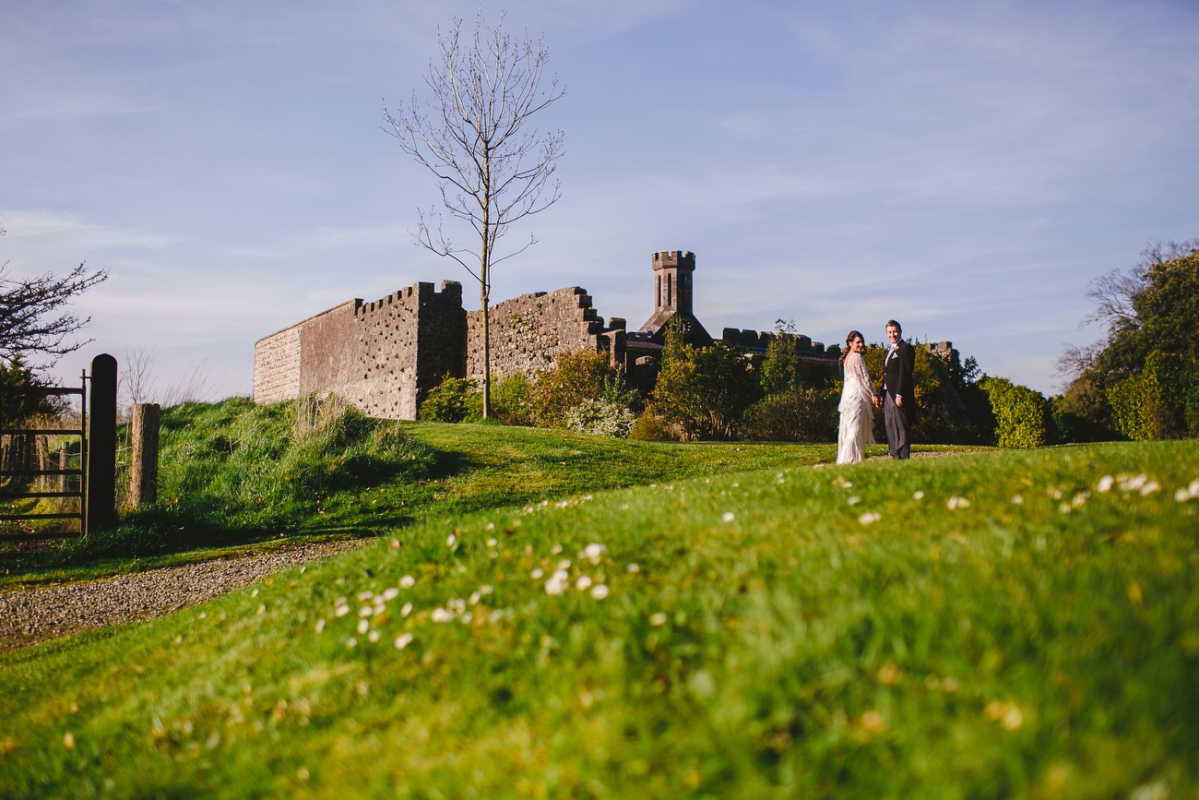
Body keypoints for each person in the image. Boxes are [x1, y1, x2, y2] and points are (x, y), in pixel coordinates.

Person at [836, 330, 878, 464]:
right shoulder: (857, 357)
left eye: (862, 342)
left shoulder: (847, 357)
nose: (861, 345)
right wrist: (873, 394)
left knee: (849, 427)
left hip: (848, 396)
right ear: (850, 343)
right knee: (855, 428)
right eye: (858, 342)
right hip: (856, 396)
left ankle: (850, 457)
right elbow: (865, 378)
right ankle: (849, 458)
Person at [881, 319, 914, 459]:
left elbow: (905, 373)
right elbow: (887, 374)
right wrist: (881, 394)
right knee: (889, 423)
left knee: (900, 425)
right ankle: (894, 454)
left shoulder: (905, 349)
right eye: (889, 332)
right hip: (888, 392)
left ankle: (903, 456)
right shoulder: (891, 349)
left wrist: (899, 393)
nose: (892, 335)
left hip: (898, 393)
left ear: (900, 332)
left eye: (895, 331)